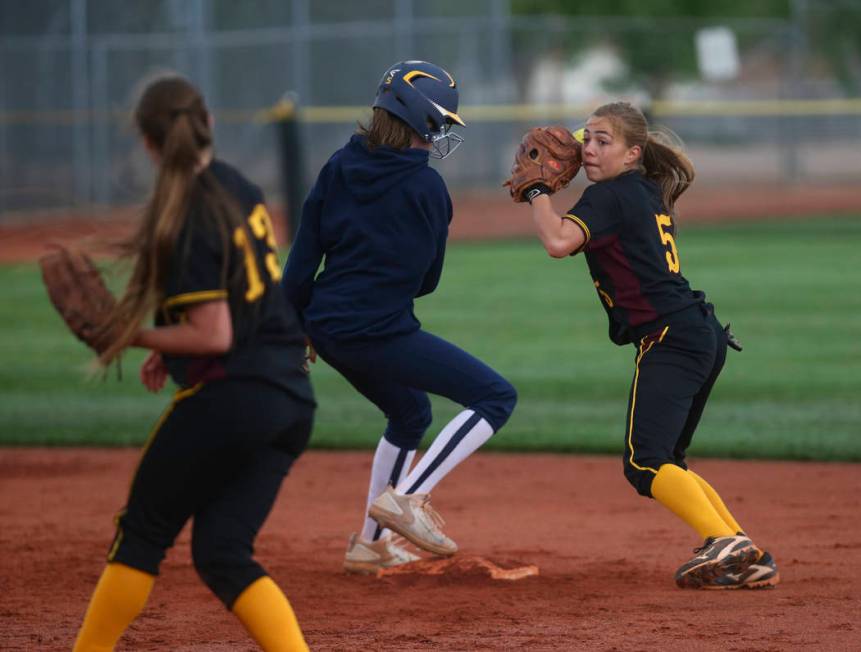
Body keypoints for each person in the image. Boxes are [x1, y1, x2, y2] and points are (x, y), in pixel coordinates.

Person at [72, 76, 315, 651]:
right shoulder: (239, 189)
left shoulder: (186, 212)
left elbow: (213, 333)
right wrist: (165, 343)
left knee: (141, 536)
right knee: (223, 554)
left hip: (233, 397)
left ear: (149, 143)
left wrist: (127, 334)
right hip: (291, 401)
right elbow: (242, 302)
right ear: (206, 121)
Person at [514, 101, 779, 590]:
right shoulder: (640, 189)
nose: (589, 149)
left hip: (671, 337)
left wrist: (536, 189)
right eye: (586, 139)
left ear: (633, 153)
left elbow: (556, 241)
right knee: (667, 462)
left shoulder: (611, 195)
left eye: (603, 141)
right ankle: (745, 551)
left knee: (645, 462)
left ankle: (727, 542)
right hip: (698, 332)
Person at [281, 60, 517, 573]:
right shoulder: (426, 188)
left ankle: (370, 545)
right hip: (376, 331)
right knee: (496, 396)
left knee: (411, 413)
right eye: (439, 123)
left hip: (324, 325)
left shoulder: (339, 165)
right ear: (420, 120)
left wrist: (295, 327)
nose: (440, 135)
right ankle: (408, 497)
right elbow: (425, 282)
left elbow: (301, 261)